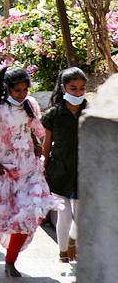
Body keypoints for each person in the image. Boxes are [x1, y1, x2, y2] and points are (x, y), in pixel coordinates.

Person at [0, 66, 59, 277]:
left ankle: (11, 260)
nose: (22, 94)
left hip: (27, 168)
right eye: (17, 90)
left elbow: (32, 130)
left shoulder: (30, 105)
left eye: (25, 90)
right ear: (7, 89)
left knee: (27, 212)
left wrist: (36, 144)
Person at [43, 67, 86, 263]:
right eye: (73, 88)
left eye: (82, 89)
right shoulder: (53, 114)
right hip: (59, 170)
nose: (78, 93)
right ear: (63, 88)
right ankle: (62, 253)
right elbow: (46, 145)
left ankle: (72, 241)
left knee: (81, 217)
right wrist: (42, 169)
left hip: (84, 171)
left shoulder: (91, 112)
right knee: (64, 215)